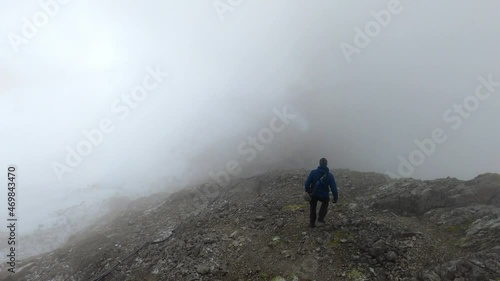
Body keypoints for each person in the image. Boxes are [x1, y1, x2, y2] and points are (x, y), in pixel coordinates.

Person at [304, 158, 338, 228]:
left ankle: (312, 223)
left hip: (314, 194)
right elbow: (333, 187)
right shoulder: (329, 175)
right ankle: (321, 218)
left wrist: (307, 191)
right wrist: (335, 197)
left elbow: (307, 183)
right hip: (324, 195)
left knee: (313, 207)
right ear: (326, 164)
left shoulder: (313, 172)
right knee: (325, 204)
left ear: (319, 164)